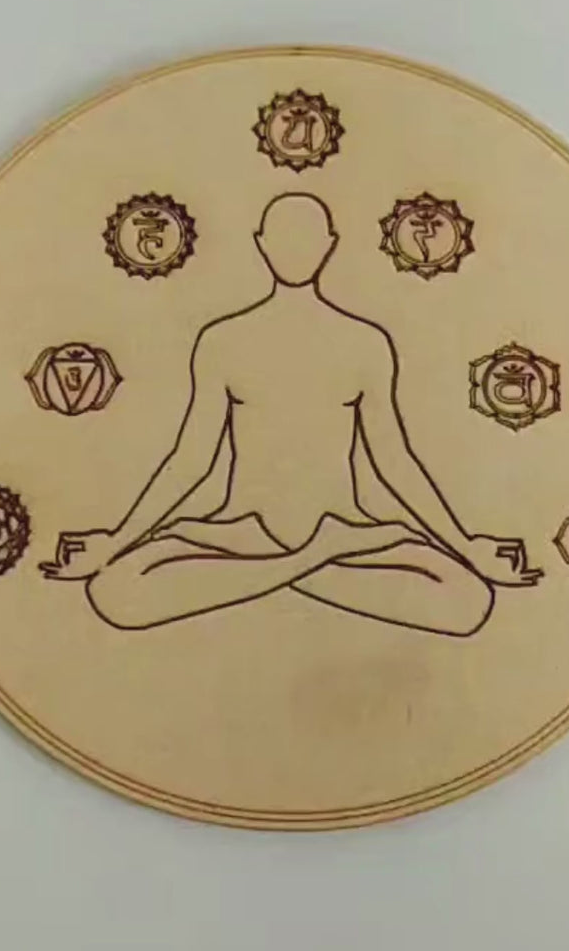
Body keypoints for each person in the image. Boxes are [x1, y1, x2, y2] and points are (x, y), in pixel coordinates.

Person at [41, 193, 541, 635]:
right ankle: (312, 558)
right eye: (282, 239)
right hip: (242, 531)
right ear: (262, 245)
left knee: (469, 601)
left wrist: (463, 545)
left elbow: (394, 459)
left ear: (328, 245)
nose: (295, 250)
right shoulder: (222, 341)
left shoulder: (365, 343)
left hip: (347, 525)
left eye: (307, 239)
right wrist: (118, 540)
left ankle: (280, 570)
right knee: (114, 590)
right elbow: (191, 459)